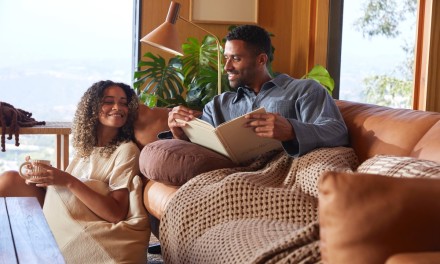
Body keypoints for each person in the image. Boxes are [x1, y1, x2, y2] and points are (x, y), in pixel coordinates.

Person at [0, 80, 149, 263]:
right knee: (10, 179)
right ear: (92, 108)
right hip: (67, 213)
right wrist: (48, 179)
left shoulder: (126, 150)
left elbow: (116, 213)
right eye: (109, 101)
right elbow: (70, 193)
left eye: (124, 102)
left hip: (88, 223)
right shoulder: (86, 150)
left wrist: (67, 180)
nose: (118, 107)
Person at [167, 24, 348, 157]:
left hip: (285, 174)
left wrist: (292, 130)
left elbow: (337, 132)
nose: (227, 67)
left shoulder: (304, 90)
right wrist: (180, 133)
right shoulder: (218, 104)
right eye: (226, 58)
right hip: (231, 177)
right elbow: (199, 152)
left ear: (261, 60)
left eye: (236, 59)